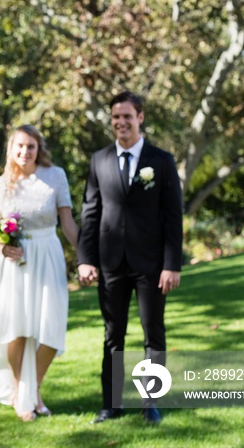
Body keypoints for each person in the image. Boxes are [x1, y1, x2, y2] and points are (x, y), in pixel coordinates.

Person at [76, 91, 183, 425]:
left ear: (140, 117)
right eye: (115, 117)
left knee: (153, 332)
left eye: (127, 116)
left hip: (152, 264)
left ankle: (151, 402)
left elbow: (172, 216)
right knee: (113, 335)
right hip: (110, 264)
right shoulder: (99, 160)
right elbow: (90, 212)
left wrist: (171, 264)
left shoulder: (161, 160)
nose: (121, 123)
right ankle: (111, 404)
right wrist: (85, 259)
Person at [0, 124, 79, 422]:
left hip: (48, 253)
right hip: (13, 262)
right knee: (17, 330)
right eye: (19, 146)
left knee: (50, 328)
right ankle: (26, 398)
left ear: (39, 148)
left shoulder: (55, 176)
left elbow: (68, 223)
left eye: (30, 146)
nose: (24, 152)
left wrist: (86, 255)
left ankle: (29, 392)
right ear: (11, 149)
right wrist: (2, 246)